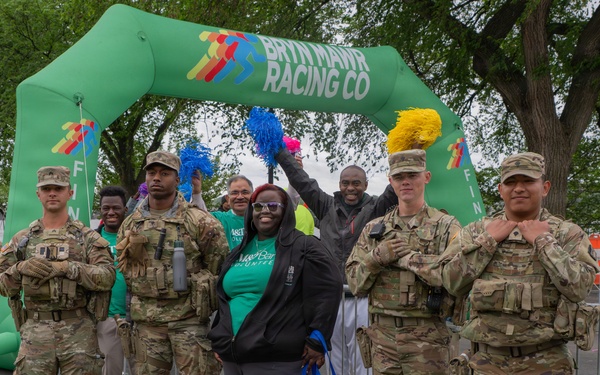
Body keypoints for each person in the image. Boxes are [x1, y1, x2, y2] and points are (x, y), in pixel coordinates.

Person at [441, 152, 600, 374]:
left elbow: (580, 288)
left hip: (548, 362)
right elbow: (451, 283)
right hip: (487, 362)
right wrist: (488, 242)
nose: (519, 188)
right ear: (500, 190)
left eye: (528, 181)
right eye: (511, 182)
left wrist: (543, 242)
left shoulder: (566, 234)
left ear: (545, 187)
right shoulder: (477, 231)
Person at [275, 147, 397, 375]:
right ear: (340, 184)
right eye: (345, 183)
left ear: (366, 185)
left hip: (364, 300)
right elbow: (302, 182)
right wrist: (280, 153)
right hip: (331, 300)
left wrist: (411, 146)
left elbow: (394, 189)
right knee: (334, 362)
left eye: (356, 183)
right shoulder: (325, 205)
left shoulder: (376, 209)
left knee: (364, 362)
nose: (350, 188)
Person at [345, 149, 461, 374]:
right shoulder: (374, 229)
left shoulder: (447, 226)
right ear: (390, 181)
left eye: (412, 175)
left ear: (426, 177)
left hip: (428, 338)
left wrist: (409, 259)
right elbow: (354, 283)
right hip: (382, 339)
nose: (405, 182)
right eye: (399, 177)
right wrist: (376, 259)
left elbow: (455, 276)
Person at [209, 183, 342, 374]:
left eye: (273, 206)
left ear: (286, 211)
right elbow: (225, 298)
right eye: (258, 206)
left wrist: (317, 339)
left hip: (276, 357)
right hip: (233, 358)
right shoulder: (238, 251)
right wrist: (221, 336)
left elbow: (328, 291)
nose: (265, 211)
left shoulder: (304, 246)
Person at [117, 150, 228, 374]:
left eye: (165, 173)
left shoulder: (201, 221)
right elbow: (125, 269)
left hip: (190, 322)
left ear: (177, 179)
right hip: (147, 324)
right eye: (152, 173)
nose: (156, 178)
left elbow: (219, 269)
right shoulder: (131, 224)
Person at [0, 166, 115, 374]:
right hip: (36, 332)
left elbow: (107, 277)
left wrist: (68, 268)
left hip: (79, 330)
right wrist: (20, 268)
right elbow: (1, 284)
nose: (52, 193)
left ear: (70, 193)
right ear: (38, 194)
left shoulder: (86, 238)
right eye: (46, 189)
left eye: (58, 188)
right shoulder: (22, 240)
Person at [96, 186, 132, 375]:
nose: (111, 212)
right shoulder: (90, 240)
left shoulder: (136, 238)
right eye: (106, 208)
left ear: (125, 210)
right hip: (106, 319)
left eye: (116, 208)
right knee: (111, 370)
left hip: (136, 316)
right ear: (100, 209)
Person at [193, 175, 253, 250]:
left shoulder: (261, 219)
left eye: (245, 192)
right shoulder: (219, 218)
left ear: (253, 196)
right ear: (228, 198)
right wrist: (196, 193)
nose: (240, 197)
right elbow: (199, 215)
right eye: (235, 193)